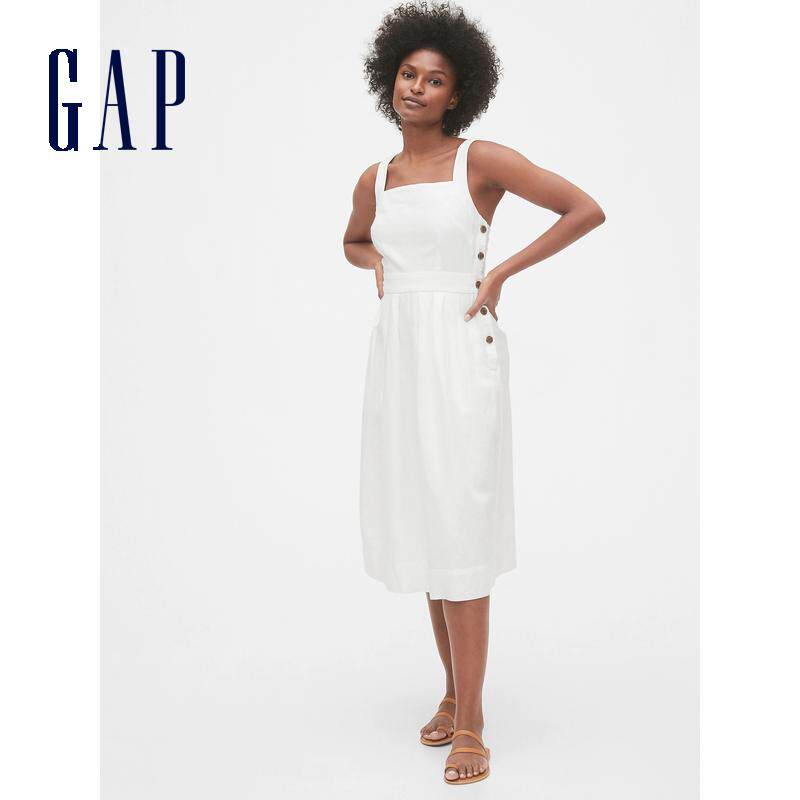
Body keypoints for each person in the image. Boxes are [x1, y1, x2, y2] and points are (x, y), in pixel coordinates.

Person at [342, 1, 605, 785]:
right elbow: (354, 240)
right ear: (388, 80)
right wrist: (377, 265)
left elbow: (583, 209)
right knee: (426, 528)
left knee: (459, 528)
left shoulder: (479, 161)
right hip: (399, 356)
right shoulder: (376, 178)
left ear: (458, 93)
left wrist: (501, 273)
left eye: (434, 80)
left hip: (460, 348)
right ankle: (453, 693)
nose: (416, 88)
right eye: (407, 75)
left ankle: (473, 724)